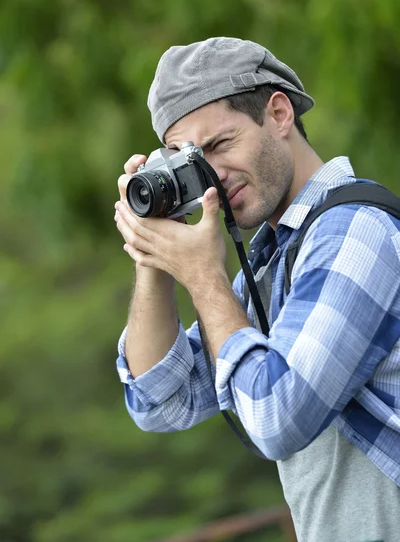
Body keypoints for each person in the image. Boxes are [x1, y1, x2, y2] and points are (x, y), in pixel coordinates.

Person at [114, 37, 400, 542]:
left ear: (280, 113)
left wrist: (204, 277)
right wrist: (151, 250)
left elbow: (276, 417)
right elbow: (162, 399)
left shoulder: (356, 232)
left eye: (221, 146)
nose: (215, 177)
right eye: (190, 162)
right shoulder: (272, 259)